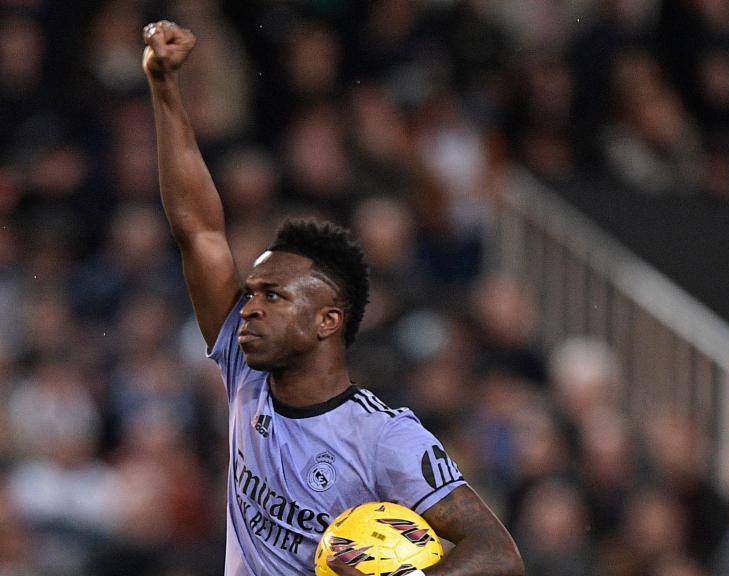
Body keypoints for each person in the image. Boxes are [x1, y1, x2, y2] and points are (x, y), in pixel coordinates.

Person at [142, 20, 525, 576]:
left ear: (327, 320)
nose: (248, 308)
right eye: (250, 293)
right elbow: (198, 230)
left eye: (272, 296)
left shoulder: (384, 437)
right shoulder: (244, 371)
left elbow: (499, 555)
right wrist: (164, 88)